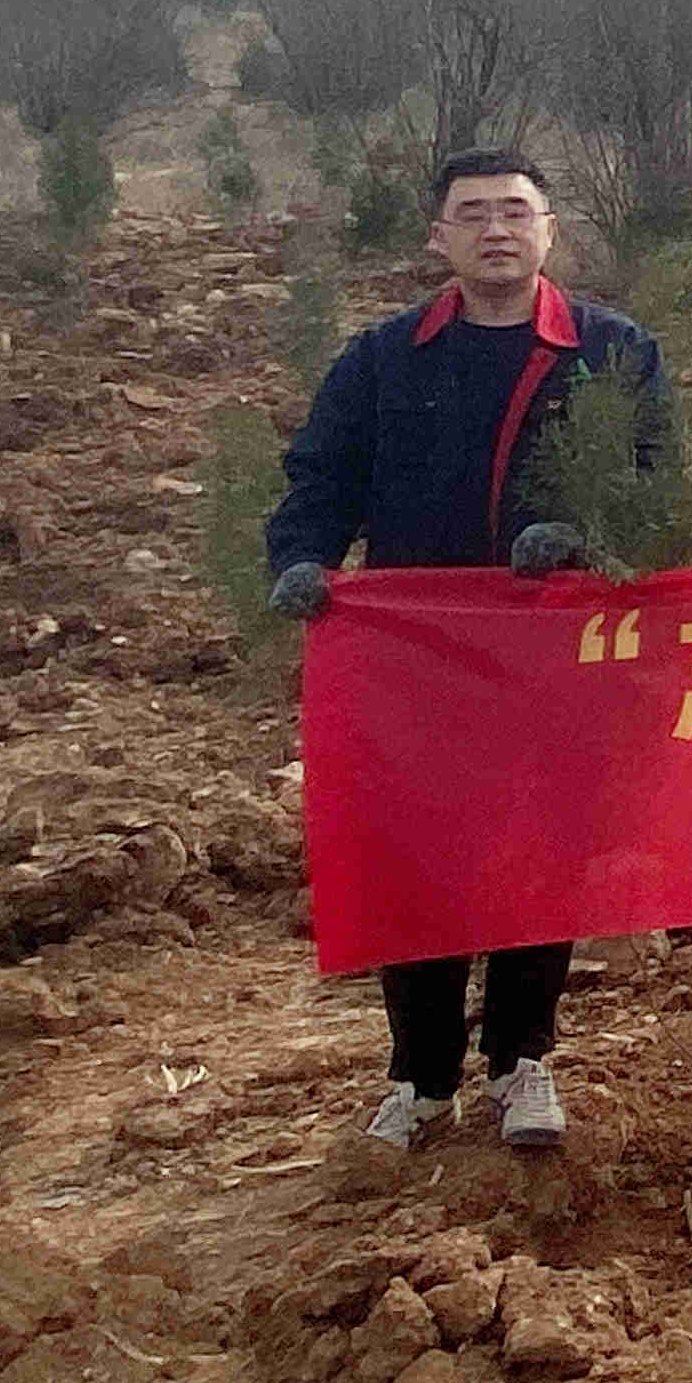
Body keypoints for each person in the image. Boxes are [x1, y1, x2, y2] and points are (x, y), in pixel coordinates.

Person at [265, 150, 668, 1153]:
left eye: (516, 212)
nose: (497, 229)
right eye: (474, 213)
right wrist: (302, 557)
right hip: (418, 658)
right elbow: (322, 476)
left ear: (549, 230)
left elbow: (659, 487)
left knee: (541, 848)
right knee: (419, 855)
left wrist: (584, 540)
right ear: (438, 236)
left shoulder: (613, 352)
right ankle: (422, 1075)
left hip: (553, 650)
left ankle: (522, 1060)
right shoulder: (385, 358)